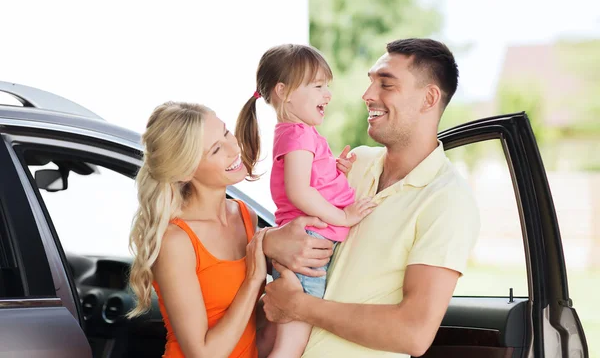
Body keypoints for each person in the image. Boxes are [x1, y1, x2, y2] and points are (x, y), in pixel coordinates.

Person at [261, 38, 481, 358]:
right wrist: (270, 241)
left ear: (429, 98)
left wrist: (300, 306)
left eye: (386, 84)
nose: (367, 95)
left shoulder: (447, 201)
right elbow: (295, 225)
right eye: (370, 82)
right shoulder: (355, 164)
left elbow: (413, 333)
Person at [235, 44, 376, 358]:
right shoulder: (298, 134)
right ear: (283, 91)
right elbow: (298, 192)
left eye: (327, 86)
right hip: (308, 246)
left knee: (286, 341)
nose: (327, 94)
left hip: (306, 244)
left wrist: (334, 173)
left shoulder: (299, 133)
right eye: (317, 86)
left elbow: (309, 183)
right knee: (292, 346)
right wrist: (344, 216)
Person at [127, 102, 268, 358]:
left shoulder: (244, 215)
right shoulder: (176, 241)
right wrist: (253, 280)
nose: (233, 148)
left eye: (225, 133)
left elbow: (247, 322)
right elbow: (203, 355)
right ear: (185, 171)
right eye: (216, 150)